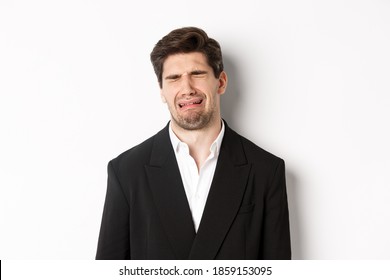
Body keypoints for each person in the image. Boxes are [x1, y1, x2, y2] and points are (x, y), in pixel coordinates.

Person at [96, 27, 291, 260]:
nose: (187, 88)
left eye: (197, 73)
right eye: (174, 78)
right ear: (162, 91)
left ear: (221, 82)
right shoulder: (127, 172)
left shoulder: (266, 171)